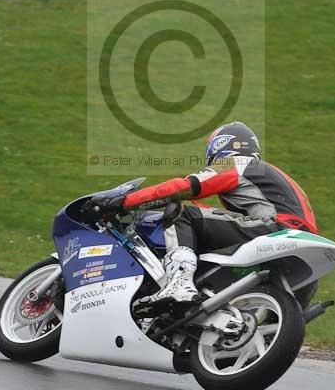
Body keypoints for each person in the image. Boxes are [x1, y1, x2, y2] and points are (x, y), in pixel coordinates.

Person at [120, 121, 318, 305]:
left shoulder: (237, 163)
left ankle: (178, 283)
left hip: (275, 230)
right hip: (305, 251)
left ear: (218, 148)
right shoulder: (273, 175)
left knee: (183, 212)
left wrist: (125, 202)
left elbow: (184, 186)